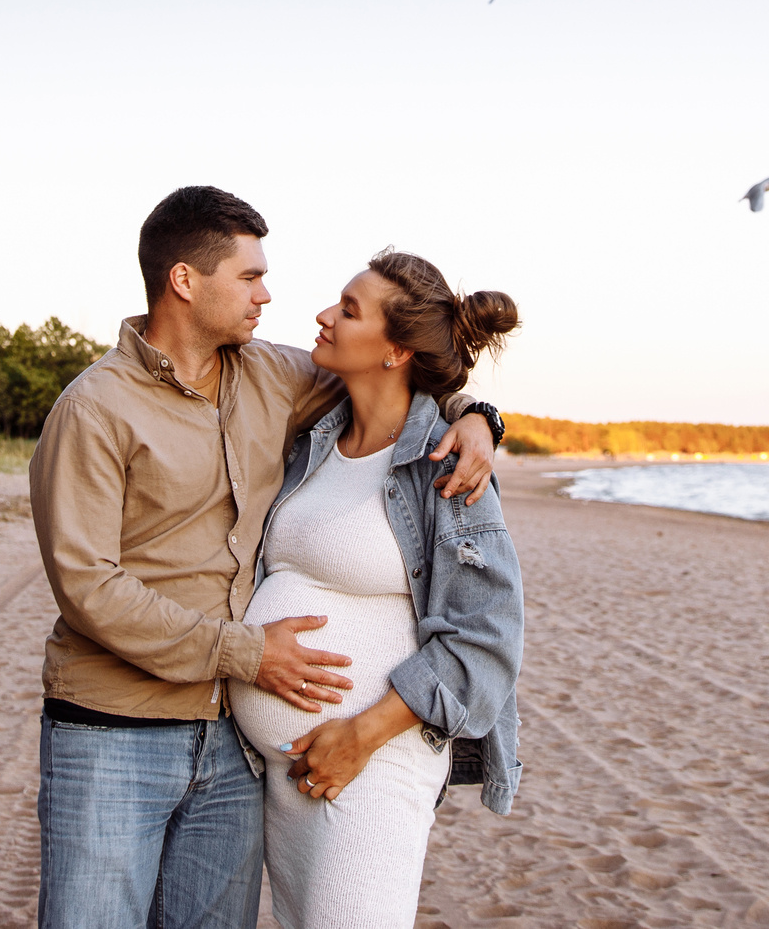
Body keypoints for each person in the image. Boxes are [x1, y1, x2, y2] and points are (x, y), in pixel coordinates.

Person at [29, 187, 503, 929]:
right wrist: (246, 654)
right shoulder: (95, 409)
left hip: (230, 751)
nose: (269, 294)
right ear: (186, 280)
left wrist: (478, 417)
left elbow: (400, 382)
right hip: (113, 732)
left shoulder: (272, 375)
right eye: (249, 277)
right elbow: (88, 585)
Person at [230, 250, 525, 929]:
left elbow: (486, 642)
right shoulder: (314, 440)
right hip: (290, 772)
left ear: (394, 351)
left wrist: (360, 736)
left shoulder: (446, 462)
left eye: (348, 308)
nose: (324, 315)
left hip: (373, 764)